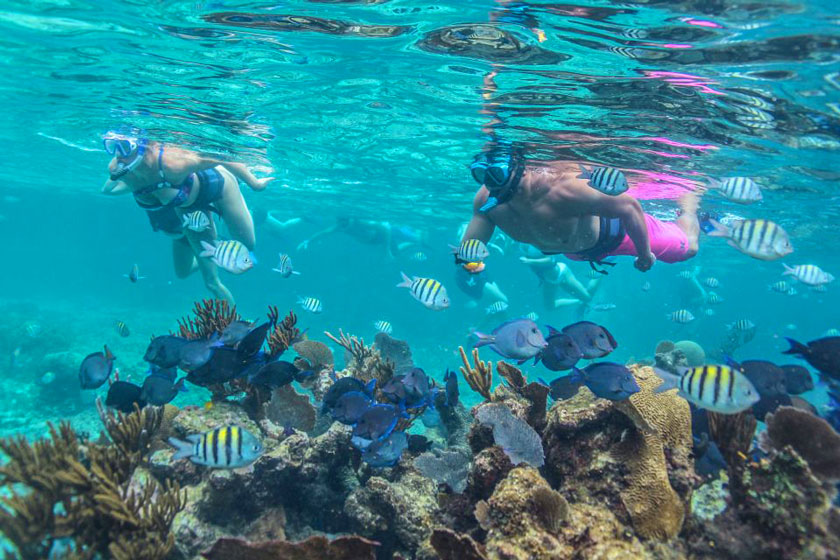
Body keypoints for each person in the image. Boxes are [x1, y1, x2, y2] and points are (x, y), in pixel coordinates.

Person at [461, 144, 700, 274]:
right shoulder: (486, 200)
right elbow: (473, 242)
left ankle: (688, 204)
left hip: (620, 236)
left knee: (689, 249)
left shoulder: (563, 189)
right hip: (574, 251)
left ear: (520, 167)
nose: (492, 183)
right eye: (482, 175)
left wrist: (645, 253)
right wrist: (469, 261)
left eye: (497, 174)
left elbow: (630, 207)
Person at [100, 129, 272, 302]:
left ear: (142, 147)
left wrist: (255, 184)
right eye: (112, 147)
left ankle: (230, 221)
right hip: (190, 212)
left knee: (248, 246)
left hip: (219, 186)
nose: (118, 155)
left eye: (124, 147)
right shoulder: (122, 171)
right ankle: (233, 325)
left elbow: (222, 155)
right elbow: (108, 190)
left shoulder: (172, 163)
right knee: (205, 280)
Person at [297, 216, 426, 259]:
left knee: (412, 240)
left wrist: (386, 250)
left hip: (385, 234)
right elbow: (324, 233)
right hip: (372, 241)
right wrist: (308, 240)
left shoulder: (359, 222)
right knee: (396, 252)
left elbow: (385, 229)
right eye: (341, 225)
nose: (343, 227)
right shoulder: (340, 227)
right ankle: (413, 242)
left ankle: (415, 233)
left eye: (344, 224)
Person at [517, 244, 600, 310]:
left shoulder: (536, 243)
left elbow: (550, 259)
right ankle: (578, 301)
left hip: (562, 273)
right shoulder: (519, 242)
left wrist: (529, 261)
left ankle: (600, 271)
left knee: (588, 297)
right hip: (547, 281)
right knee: (549, 307)